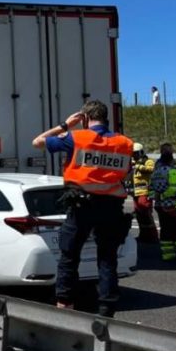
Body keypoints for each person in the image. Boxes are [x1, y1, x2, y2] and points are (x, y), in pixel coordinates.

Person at [33, 99, 133, 317]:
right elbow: (126, 173)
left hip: (81, 205)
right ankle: (107, 310)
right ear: (106, 118)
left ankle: (65, 305)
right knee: (107, 259)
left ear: (85, 119)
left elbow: (38, 142)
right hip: (111, 207)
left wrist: (65, 125)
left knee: (70, 256)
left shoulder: (76, 137)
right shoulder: (125, 143)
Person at [148, 143, 176, 262]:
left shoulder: (156, 170)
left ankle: (168, 254)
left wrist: (158, 198)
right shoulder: (173, 170)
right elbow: (175, 188)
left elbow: (151, 188)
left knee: (165, 230)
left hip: (160, 205)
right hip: (174, 205)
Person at [130, 143, 159, 244]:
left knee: (146, 214)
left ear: (141, 152)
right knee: (139, 215)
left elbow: (151, 169)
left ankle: (153, 235)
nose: (134, 155)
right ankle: (143, 235)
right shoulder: (133, 162)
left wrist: (138, 166)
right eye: (133, 153)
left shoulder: (148, 161)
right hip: (136, 192)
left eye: (135, 153)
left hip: (145, 192)